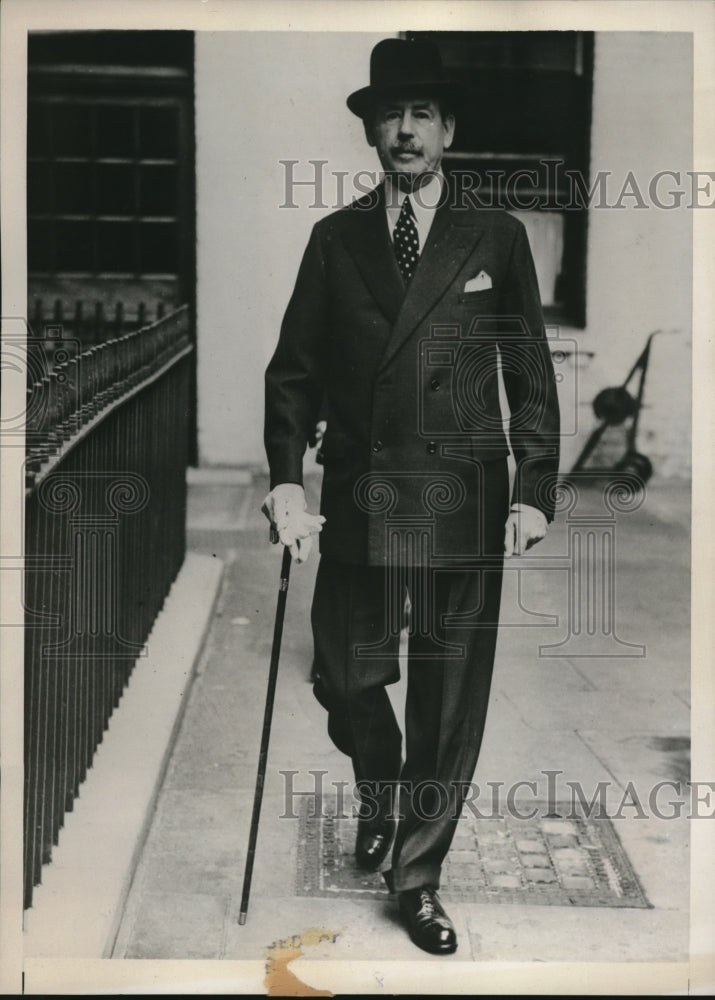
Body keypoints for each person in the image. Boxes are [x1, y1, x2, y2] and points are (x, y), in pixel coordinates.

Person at [263, 37, 560, 955]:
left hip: (464, 497)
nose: (404, 131)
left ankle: (417, 877)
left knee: (447, 698)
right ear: (368, 131)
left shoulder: (495, 238)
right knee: (343, 676)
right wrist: (283, 480)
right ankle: (380, 790)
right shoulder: (335, 238)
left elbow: (528, 372)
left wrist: (535, 488)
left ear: (448, 131)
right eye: (388, 115)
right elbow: (292, 375)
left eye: (421, 115)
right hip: (358, 493)